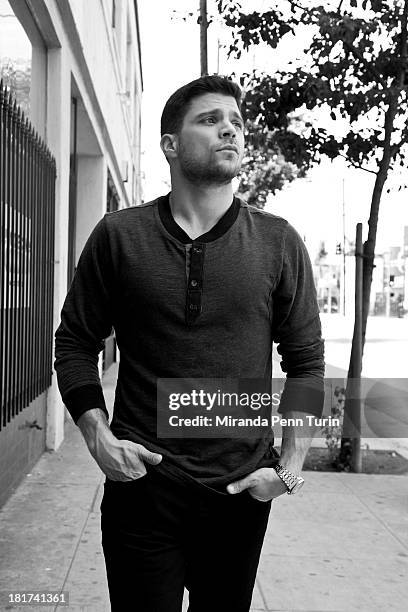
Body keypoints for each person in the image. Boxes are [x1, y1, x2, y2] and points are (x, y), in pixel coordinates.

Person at [54, 75, 325, 612]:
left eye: (237, 122)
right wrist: (97, 436)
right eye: (209, 119)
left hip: (241, 491)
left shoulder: (277, 242)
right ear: (170, 144)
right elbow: (76, 342)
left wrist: (288, 469)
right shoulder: (119, 235)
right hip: (143, 485)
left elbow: (306, 363)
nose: (230, 129)